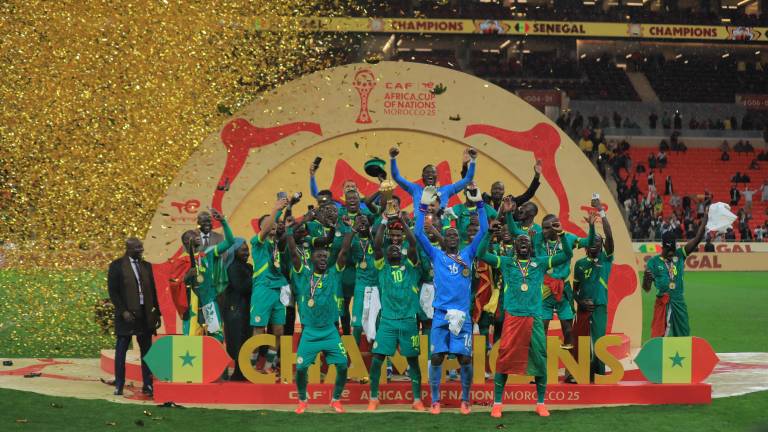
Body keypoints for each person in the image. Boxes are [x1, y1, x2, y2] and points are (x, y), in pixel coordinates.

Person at [477, 211, 574, 419]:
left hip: (534, 318)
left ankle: (540, 403)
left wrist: (562, 234)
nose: (523, 243)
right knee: (504, 359)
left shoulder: (540, 263)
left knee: (540, 359)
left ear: (530, 247)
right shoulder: (506, 262)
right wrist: (488, 234)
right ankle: (497, 403)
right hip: (513, 318)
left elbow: (566, 255)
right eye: (519, 240)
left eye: (526, 241)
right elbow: (482, 254)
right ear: (514, 246)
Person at [414, 185, 488, 415]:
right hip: (440, 315)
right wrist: (423, 207)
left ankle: (465, 400)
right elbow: (418, 233)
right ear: (443, 240)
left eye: (456, 235)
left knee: (465, 359)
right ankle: (435, 401)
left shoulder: (468, 255)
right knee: (436, 357)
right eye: (449, 235)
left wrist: (480, 205)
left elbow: (484, 231)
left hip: (462, 316)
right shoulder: (436, 255)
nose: (453, 237)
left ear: (460, 239)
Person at [285, 216, 353, 414]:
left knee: (342, 366)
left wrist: (348, 230)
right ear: (312, 259)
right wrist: (289, 232)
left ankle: (336, 399)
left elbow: (344, 251)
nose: (323, 259)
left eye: (325, 257)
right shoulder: (302, 274)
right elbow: (293, 253)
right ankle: (302, 400)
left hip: (331, 331)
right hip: (310, 333)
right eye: (319, 257)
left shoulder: (334, 273)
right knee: (300, 369)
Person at [504, 202, 594, 351]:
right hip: (543, 289)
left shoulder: (568, 238)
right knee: (541, 328)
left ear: (555, 226)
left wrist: (591, 226)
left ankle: (569, 369)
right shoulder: (537, 236)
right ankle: (543, 361)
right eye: (543, 227)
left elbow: (588, 242)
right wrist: (508, 214)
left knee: (567, 330)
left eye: (547, 228)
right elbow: (515, 231)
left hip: (563, 289)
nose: (543, 230)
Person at [366, 216, 424, 411]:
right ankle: (374, 397)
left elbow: (414, 243)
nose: (393, 248)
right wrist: (383, 221)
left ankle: (417, 400)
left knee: (413, 361)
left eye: (397, 247)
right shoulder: (382, 268)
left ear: (402, 251)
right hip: (388, 322)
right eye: (390, 247)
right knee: (377, 360)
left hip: (408, 321)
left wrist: (401, 221)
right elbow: (376, 244)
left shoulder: (411, 267)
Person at [107, 238, 161, 396]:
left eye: (141, 247)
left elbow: (153, 290)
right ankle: (119, 384)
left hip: (145, 314)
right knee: (121, 350)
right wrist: (123, 311)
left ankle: (148, 384)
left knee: (146, 351)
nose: (141, 250)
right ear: (128, 248)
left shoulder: (146, 266)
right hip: (127, 315)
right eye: (138, 248)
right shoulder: (117, 266)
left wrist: (157, 312)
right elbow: (113, 292)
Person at [643, 209, 709, 337]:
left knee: (683, 334)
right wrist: (646, 279)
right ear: (663, 247)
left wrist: (705, 220)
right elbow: (646, 289)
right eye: (668, 250)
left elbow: (696, 240)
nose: (671, 253)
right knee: (660, 336)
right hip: (663, 303)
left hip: (679, 303)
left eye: (673, 249)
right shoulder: (653, 262)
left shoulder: (679, 254)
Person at [572, 200, 614, 382]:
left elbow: (609, 236)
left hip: (599, 307)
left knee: (598, 341)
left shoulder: (606, 259)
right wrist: (580, 302)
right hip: (583, 308)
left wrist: (601, 211)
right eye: (593, 241)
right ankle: (580, 372)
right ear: (587, 244)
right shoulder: (580, 265)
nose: (596, 244)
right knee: (580, 341)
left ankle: (598, 374)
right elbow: (575, 290)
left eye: (599, 242)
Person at [180, 208, 235, 342]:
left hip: (209, 301)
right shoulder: (180, 262)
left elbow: (230, 242)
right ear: (187, 242)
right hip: (192, 306)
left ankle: (217, 362)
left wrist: (223, 221)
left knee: (216, 336)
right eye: (194, 236)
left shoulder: (208, 255)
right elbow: (176, 284)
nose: (198, 236)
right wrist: (187, 276)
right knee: (191, 339)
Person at [250, 197, 290, 372]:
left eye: (274, 222)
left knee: (279, 330)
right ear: (262, 228)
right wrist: (276, 209)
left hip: (278, 291)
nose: (272, 225)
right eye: (268, 223)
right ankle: (250, 367)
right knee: (259, 330)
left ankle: (267, 366)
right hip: (263, 289)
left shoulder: (277, 245)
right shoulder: (257, 243)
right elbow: (267, 228)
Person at [390, 146, 477, 209]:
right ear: (423, 176)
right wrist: (392, 158)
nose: (430, 174)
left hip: (439, 231)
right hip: (420, 230)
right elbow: (396, 176)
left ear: (437, 177)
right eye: (427, 172)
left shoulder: (446, 190)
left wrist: (473, 160)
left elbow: (468, 178)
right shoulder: (415, 189)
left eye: (433, 172)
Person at [221, 238, 251, 381]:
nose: (247, 253)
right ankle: (239, 372)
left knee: (246, 339)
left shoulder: (248, 267)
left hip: (245, 310)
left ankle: (243, 370)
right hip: (235, 310)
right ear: (234, 251)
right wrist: (258, 278)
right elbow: (242, 287)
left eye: (248, 250)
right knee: (238, 340)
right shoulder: (232, 267)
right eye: (243, 250)